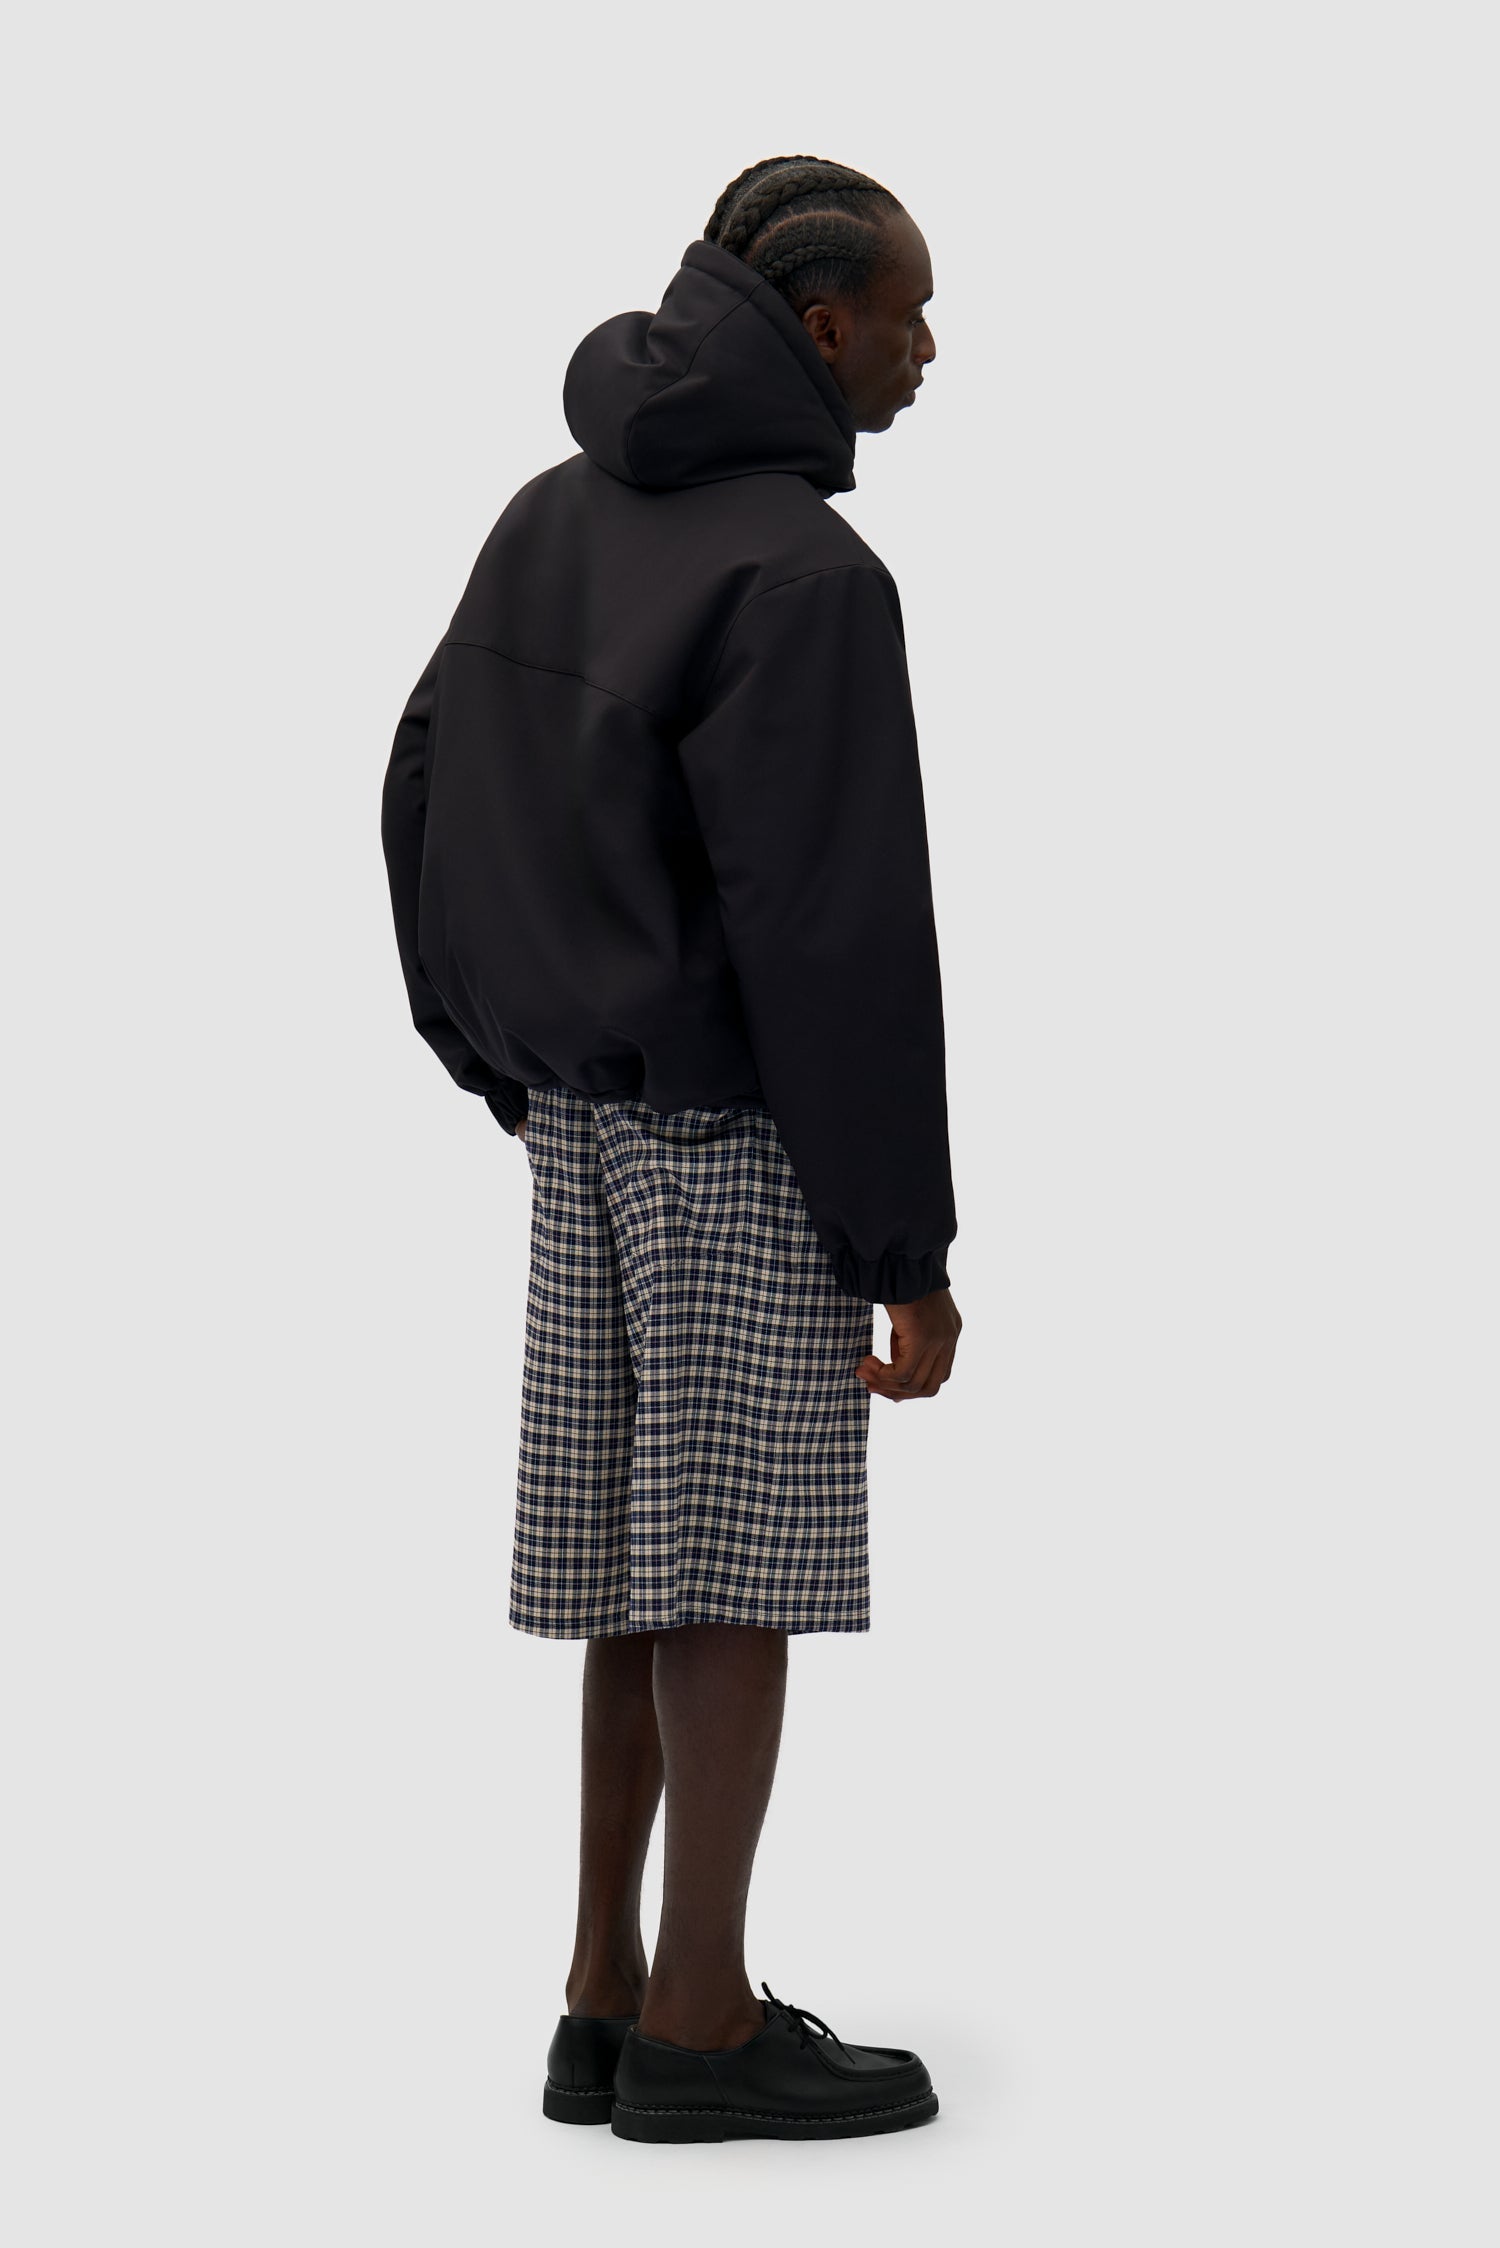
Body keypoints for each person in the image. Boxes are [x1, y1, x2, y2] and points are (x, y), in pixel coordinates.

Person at [381, 154, 961, 2144]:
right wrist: (903, 1245)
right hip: (731, 1133)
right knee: (731, 1567)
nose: (929, 347)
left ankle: (602, 1989)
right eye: (910, 313)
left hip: (585, 1125)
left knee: (637, 1555)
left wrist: (497, 1053)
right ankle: (702, 2024)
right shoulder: (808, 576)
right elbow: (838, 936)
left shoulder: (549, 514)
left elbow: (423, 780)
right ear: (823, 325)